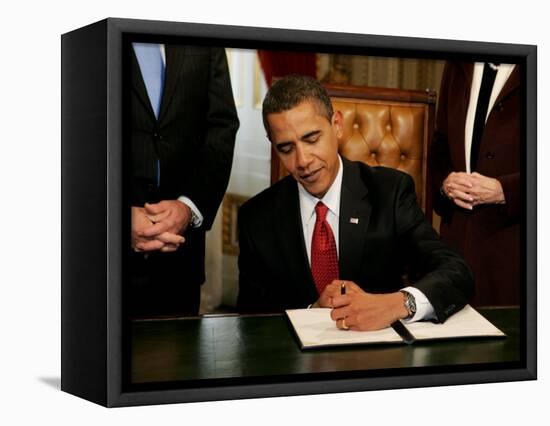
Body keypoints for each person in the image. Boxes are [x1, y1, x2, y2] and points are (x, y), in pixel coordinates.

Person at [237, 74, 473, 331]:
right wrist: (311, 312)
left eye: (312, 138)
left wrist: (397, 303)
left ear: (337, 125)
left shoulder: (390, 192)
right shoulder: (256, 218)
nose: (302, 160)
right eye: (286, 148)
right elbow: (251, 323)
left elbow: (456, 272)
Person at [129, 43, 239, 317]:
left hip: (181, 260)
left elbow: (221, 127)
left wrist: (189, 207)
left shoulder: (201, 34)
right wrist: (115, 218)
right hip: (102, 263)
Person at [429, 61, 520, 306]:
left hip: (515, 248)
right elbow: (440, 144)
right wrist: (445, 183)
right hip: (455, 244)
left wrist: (506, 191)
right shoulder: (458, 63)